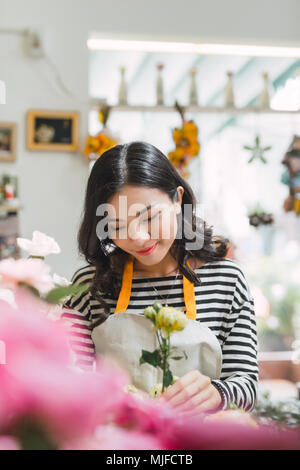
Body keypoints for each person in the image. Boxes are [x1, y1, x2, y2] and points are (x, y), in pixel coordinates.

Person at [61, 141, 258, 414]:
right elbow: (68, 381)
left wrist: (217, 393)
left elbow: (247, 387)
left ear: (177, 200)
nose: (139, 238)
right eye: (117, 226)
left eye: (150, 217)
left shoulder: (227, 280)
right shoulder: (88, 286)